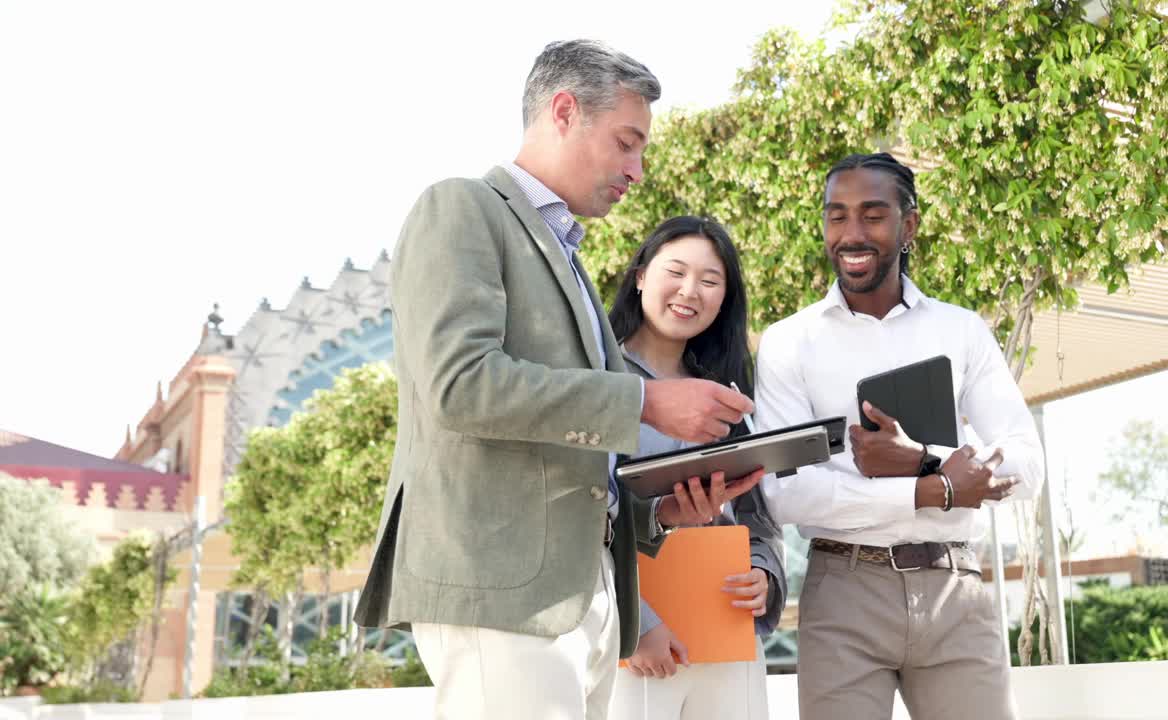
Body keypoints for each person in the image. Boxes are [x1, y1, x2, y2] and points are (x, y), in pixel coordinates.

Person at [352, 40, 762, 720]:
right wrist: (647, 401)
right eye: (626, 143)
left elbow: (570, 465)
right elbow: (462, 384)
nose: (637, 170)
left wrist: (662, 512)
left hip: (581, 598)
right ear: (565, 111)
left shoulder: (565, 253)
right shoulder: (461, 208)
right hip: (503, 592)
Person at [754, 152, 1045, 720]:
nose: (852, 234)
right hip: (843, 590)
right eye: (836, 216)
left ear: (908, 224)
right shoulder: (790, 343)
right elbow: (784, 492)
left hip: (955, 590)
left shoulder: (960, 330)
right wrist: (932, 488)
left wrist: (924, 459)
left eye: (872, 214)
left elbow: (1028, 463)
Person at [606, 216, 785, 720]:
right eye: (676, 272)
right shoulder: (599, 382)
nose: (690, 292)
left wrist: (763, 573)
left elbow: (756, 512)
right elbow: (583, 506)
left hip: (725, 626)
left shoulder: (725, 394)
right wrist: (634, 624)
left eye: (710, 281)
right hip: (636, 640)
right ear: (641, 275)